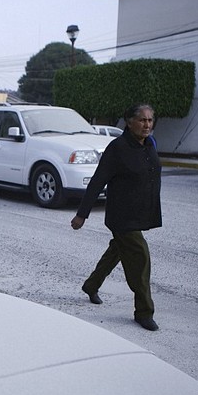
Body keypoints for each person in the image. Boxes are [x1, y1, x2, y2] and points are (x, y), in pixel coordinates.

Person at [70, 104, 162, 331]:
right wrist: (82, 214)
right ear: (129, 122)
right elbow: (98, 180)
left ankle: (91, 285)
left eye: (150, 120)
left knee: (118, 250)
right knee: (140, 256)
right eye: (142, 120)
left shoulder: (149, 144)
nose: (147, 124)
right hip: (122, 216)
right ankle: (144, 312)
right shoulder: (118, 148)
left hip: (139, 213)